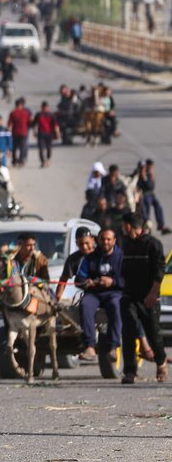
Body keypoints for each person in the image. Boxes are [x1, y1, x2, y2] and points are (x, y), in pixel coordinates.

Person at [119, 213, 167, 383]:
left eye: (123, 226)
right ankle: (130, 371)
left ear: (129, 227)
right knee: (129, 331)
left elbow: (159, 270)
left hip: (149, 298)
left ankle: (161, 364)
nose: (122, 229)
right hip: (129, 297)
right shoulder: (126, 245)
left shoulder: (153, 244)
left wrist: (154, 293)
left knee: (154, 334)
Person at [74, 228, 124, 363]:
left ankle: (113, 346)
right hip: (94, 293)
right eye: (102, 239)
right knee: (85, 304)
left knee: (116, 305)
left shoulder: (121, 257)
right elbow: (79, 279)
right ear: (98, 240)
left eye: (108, 239)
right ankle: (89, 346)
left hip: (114, 293)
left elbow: (128, 279)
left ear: (114, 241)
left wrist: (112, 281)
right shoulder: (89, 258)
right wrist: (87, 282)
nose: (105, 242)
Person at [135, 160, 169, 234]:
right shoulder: (136, 175)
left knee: (158, 206)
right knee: (146, 206)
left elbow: (151, 186)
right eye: (141, 168)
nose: (142, 169)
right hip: (142, 195)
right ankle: (147, 225)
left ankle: (161, 224)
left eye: (144, 167)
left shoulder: (148, 174)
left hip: (150, 194)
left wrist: (145, 178)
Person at [31, 100, 59, 168]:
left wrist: (57, 133)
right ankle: (43, 162)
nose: (45, 108)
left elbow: (55, 125)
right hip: (41, 133)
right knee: (41, 149)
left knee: (49, 148)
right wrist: (34, 132)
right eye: (44, 107)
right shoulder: (39, 114)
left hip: (49, 133)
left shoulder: (51, 115)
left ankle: (48, 159)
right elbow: (34, 124)